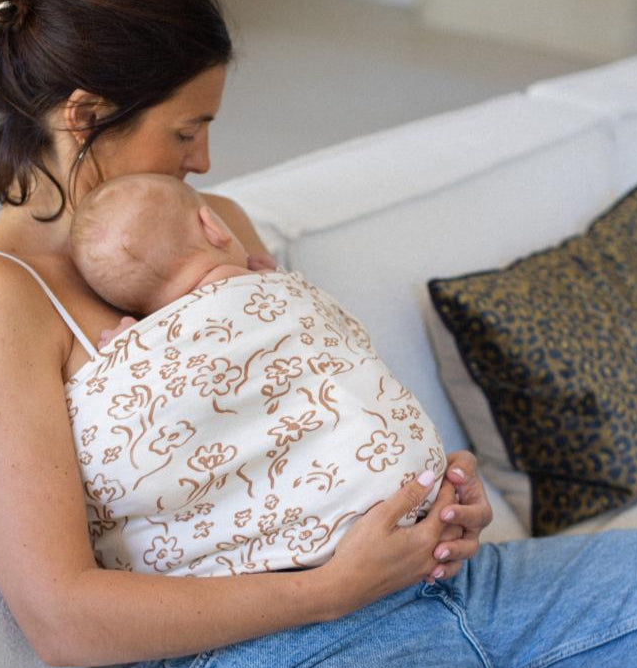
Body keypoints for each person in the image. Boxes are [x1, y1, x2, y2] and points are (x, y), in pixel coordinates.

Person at [0, 0, 637, 668]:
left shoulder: (212, 226)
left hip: (455, 588)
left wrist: (437, 496)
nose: (205, 160)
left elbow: (321, 403)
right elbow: (61, 618)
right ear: (87, 115)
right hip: (281, 662)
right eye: (186, 131)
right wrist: (332, 590)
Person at [64, 171, 448, 577]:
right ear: (213, 227)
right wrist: (275, 282)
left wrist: (128, 352)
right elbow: (351, 344)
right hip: (398, 497)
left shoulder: (139, 350)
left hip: (261, 569)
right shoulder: (278, 290)